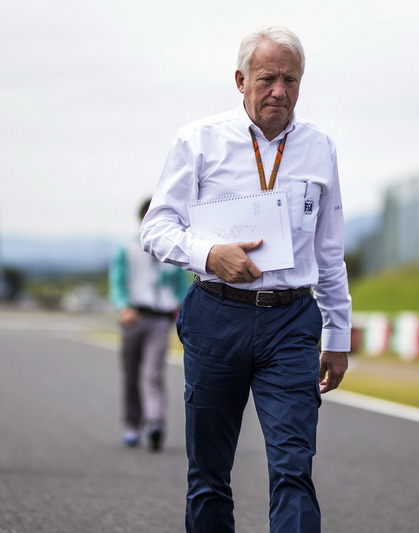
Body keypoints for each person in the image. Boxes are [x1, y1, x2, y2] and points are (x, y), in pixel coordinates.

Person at [140, 25, 351, 533]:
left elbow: (330, 249)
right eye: (268, 78)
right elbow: (156, 227)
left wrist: (339, 335)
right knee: (209, 474)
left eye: (291, 80)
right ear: (241, 80)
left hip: (292, 322)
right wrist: (210, 254)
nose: (280, 90)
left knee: (293, 469)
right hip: (217, 314)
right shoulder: (198, 140)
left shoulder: (320, 147)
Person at [109, 197, 189, 452]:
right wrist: (123, 307)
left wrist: (181, 315)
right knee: (131, 374)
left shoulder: (172, 250)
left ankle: (155, 423)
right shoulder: (127, 249)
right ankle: (132, 424)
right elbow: (117, 281)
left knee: (154, 372)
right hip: (135, 317)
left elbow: (180, 287)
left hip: (160, 319)